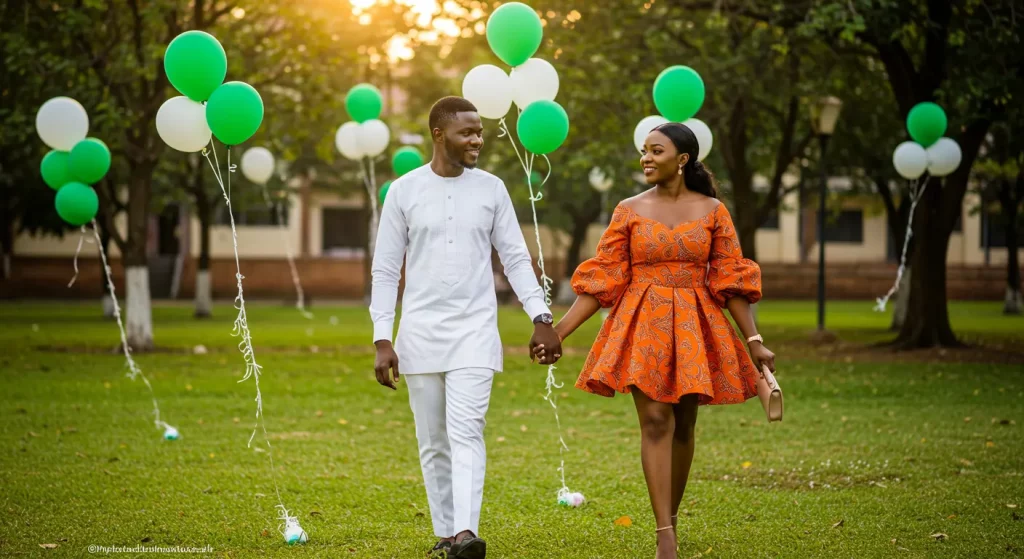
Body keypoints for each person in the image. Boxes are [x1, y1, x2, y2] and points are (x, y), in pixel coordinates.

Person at [534, 123, 776, 559]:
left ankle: (673, 518)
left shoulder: (714, 211)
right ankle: (665, 534)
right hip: (642, 322)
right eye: (643, 151)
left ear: (682, 159)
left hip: (696, 324)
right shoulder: (628, 209)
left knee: (684, 426)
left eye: (655, 151)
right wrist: (558, 331)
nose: (645, 158)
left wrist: (754, 339)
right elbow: (603, 279)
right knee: (656, 423)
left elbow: (731, 279)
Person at [370, 96, 562, 559]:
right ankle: (446, 533)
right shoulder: (404, 191)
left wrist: (540, 316)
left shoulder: (492, 188)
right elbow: (385, 267)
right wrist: (382, 337)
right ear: (440, 134)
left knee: (467, 429)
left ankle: (465, 533)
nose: (478, 139)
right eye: (467, 132)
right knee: (432, 440)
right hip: (418, 332)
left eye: (480, 132)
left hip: (475, 330)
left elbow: (515, 257)